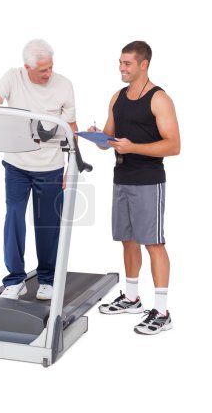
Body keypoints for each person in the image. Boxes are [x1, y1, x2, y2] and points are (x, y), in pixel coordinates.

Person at [0, 39, 78, 300]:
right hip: (16, 165)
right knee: (13, 215)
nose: (48, 74)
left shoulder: (64, 85)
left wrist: (73, 166)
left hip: (51, 167)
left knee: (47, 225)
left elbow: (71, 128)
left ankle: (47, 278)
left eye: (50, 68)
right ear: (27, 67)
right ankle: (15, 280)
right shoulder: (13, 77)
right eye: (42, 70)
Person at [90, 41, 180, 334]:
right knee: (127, 240)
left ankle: (163, 312)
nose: (121, 68)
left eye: (127, 63)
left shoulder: (159, 99)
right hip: (121, 178)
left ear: (144, 65)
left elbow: (174, 145)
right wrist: (98, 137)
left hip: (148, 181)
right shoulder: (117, 97)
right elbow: (110, 138)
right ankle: (131, 298)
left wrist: (134, 147)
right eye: (120, 62)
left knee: (153, 243)